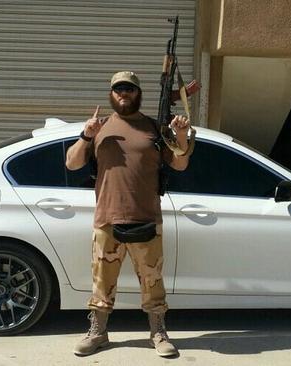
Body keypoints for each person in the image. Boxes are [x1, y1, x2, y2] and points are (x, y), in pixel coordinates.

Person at [65, 71, 192, 357]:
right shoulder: (99, 128)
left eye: (130, 89)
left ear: (138, 93)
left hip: (147, 219)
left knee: (153, 282)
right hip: (107, 221)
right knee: (102, 282)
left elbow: (180, 164)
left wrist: (181, 136)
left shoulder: (154, 128)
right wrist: (87, 135)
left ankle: (158, 333)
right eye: (119, 89)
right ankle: (98, 333)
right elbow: (72, 164)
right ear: (111, 94)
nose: (124, 93)